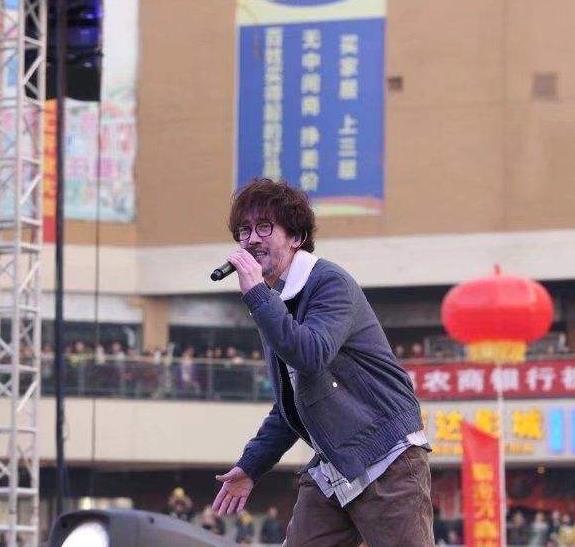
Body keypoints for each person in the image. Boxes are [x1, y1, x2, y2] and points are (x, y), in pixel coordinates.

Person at [211, 179, 434, 546]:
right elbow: (293, 403)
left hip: (387, 458)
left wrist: (258, 297)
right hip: (336, 465)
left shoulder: (329, 283)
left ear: (296, 237)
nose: (251, 239)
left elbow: (311, 355)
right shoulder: (275, 300)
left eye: (264, 227)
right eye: (244, 230)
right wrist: (251, 465)